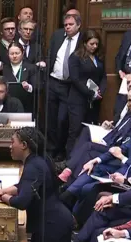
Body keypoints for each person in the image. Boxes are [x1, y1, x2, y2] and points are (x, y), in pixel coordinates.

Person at [45, 12, 82, 160]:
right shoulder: (57, 35)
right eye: (65, 24)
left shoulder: (82, 40)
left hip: (69, 86)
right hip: (53, 82)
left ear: (78, 25)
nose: (67, 27)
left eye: (70, 24)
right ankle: (51, 150)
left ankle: (61, 150)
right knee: (50, 119)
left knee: (62, 119)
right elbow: (51, 54)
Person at [66, 29, 106, 155]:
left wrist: (101, 92)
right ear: (84, 43)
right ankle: (70, 159)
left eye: (96, 44)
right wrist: (91, 93)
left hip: (94, 102)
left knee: (90, 131)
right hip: (78, 100)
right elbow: (75, 79)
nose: (94, 46)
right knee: (76, 130)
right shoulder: (75, 57)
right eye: (92, 44)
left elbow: (103, 77)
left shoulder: (98, 58)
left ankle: (85, 158)